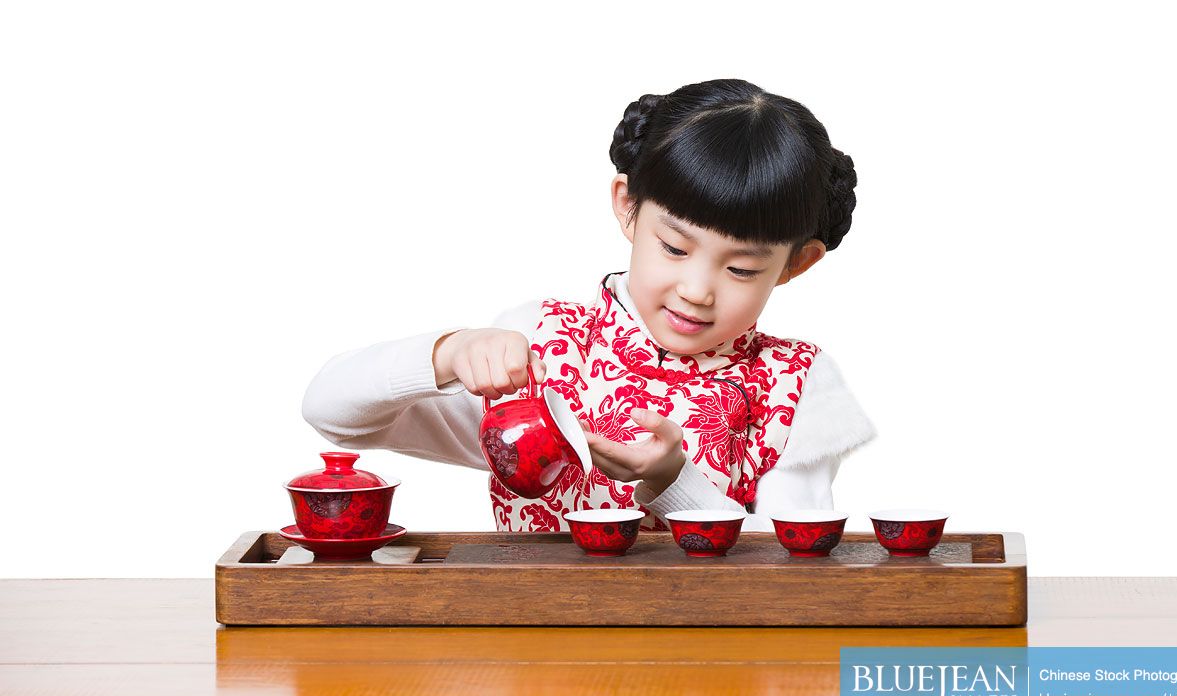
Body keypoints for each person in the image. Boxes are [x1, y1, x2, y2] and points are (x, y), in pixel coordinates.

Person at [301, 78, 876, 533]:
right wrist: (450, 353)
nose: (697, 289)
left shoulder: (797, 385)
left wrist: (675, 481)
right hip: (541, 661)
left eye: (742, 269)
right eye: (674, 247)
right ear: (628, 208)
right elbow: (331, 414)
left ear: (797, 263)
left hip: (716, 666)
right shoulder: (545, 343)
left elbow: (791, 567)